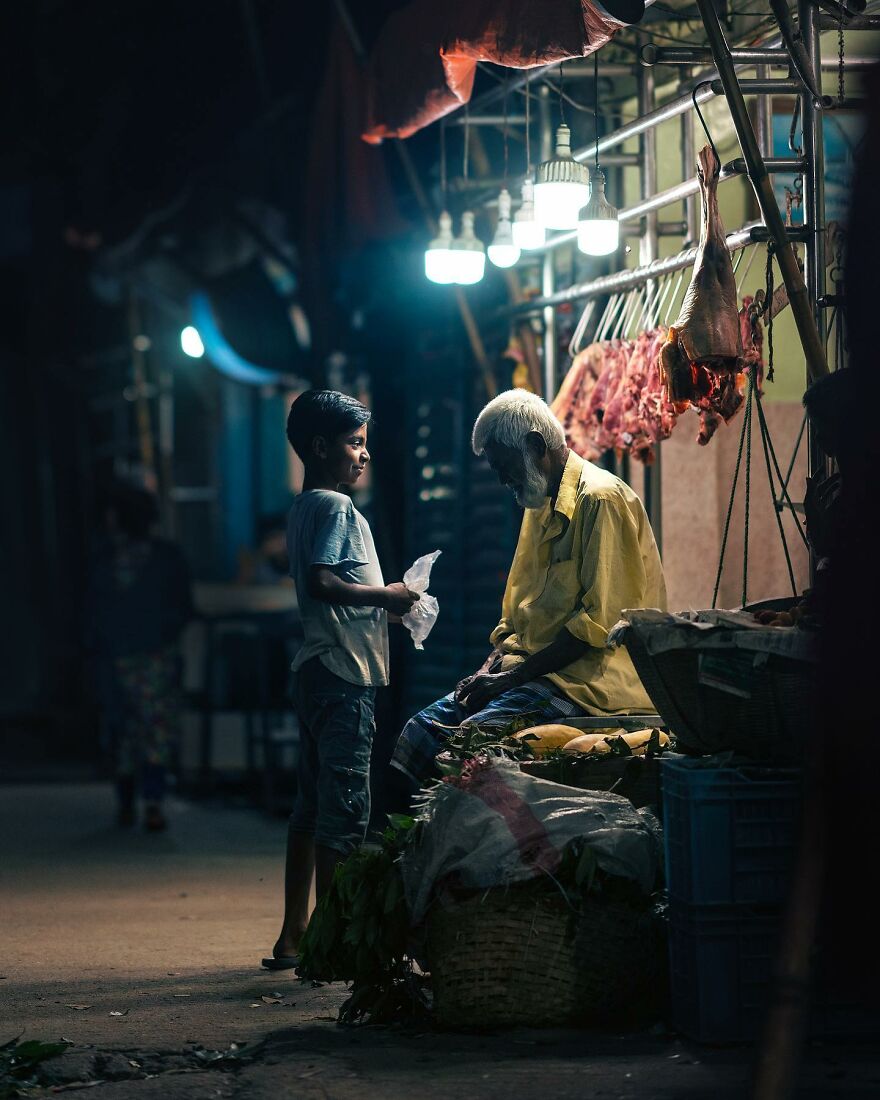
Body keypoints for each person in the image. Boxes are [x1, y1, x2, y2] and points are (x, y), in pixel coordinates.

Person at [390, 389, 667, 795]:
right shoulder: (536, 504)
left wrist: (509, 679)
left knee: (466, 743)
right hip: (537, 675)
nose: (503, 480)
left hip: (590, 685)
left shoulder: (602, 500)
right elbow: (514, 617)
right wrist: (489, 670)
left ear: (536, 446)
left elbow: (600, 626)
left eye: (506, 467)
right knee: (419, 734)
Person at [263, 390, 419, 970]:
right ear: (320, 447)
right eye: (355, 444)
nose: (364, 456)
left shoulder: (303, 508)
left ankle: (294, 935)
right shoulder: (336, 509)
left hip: (314, 671)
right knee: (346, 810)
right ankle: (332, 944)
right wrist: (391, 596)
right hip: (344, 675)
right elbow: (325, 581)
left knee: (309, 806)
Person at [86, 484, 193, 831]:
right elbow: (182, 606)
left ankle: (137, 803)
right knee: (146, 731)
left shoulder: (107, 559)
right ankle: (147, 803)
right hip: (146, 655)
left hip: (131, 655)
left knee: (130, 731)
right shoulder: (162, 557)